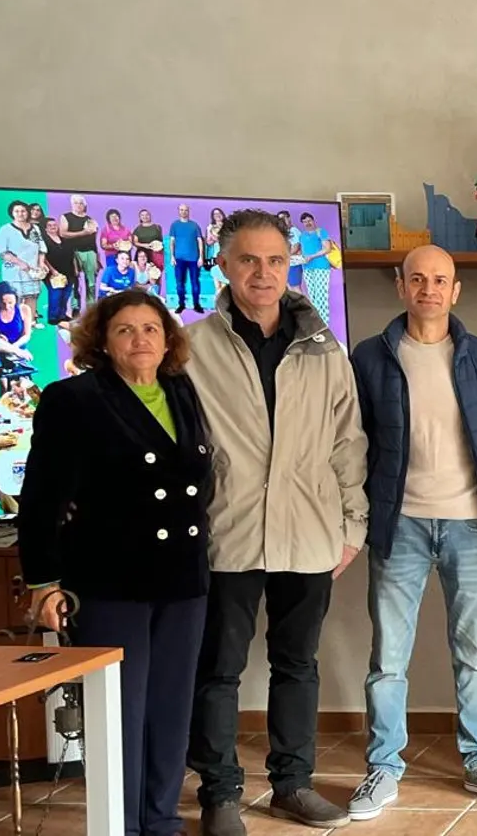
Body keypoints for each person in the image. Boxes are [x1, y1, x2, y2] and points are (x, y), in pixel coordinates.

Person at [185, 209, 367, 835]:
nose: (262, 273)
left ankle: (293, 784)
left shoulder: (322, 345)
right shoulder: (194, 347)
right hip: (227, 533)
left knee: (298, 665)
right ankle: (220, 792)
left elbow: (348, 439)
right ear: (225, 266)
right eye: (248, 260)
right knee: (219, 669)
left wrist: (352, 526)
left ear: (291, 265)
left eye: (275, 260)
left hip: (309, 533)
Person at [19, 291, 213, 836]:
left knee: (171, 710)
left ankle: (162, 820)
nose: (140, 340)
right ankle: (121, 826)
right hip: (109, 581)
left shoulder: (178, 388)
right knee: (122, 712)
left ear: (168, 338)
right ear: (102, 341)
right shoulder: (72, 399)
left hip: (182, 577)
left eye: (151, 329)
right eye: (125, 330)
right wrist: (44, 583)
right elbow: (41, 500)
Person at [346, 245, 477, 820]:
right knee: (388, 659)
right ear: (401, 286)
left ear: (456, 291)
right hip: (398, 526)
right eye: (418, 279)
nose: (429, 289)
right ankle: (384, 767)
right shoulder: (371, 357)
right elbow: (354, 444)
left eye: (440, 280)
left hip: (470, 524)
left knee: (475, 656)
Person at [0, 200, 45, 326]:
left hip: (33, 271)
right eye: (16, 211)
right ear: (12, 213)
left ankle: (30, 323)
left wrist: (41, 265)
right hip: (14, 271)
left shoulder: (35, 229)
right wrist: (20, 263)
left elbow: (41, 248)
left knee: (32, 296)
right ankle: (14, 324)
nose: (20, 214)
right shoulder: (5, 230)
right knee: (14, 298)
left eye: (23, 211)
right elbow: (2, 252)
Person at [0, 282, 36, 389]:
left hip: (19, 350)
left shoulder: (24, 309)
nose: (7, 307)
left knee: (23, 384)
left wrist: (13, 348)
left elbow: (27, 335)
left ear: (16, 299)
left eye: (11, 303)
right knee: (5, 385)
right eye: (3, 303)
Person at [60, 195, 101, 315]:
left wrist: (97, 257)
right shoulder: (66, 217)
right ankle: (75, 308)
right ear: (72, 204)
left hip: (90, 252)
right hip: (73, 253)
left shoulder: (90, 220)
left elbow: (94, 239)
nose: (78, 205)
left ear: (85, 205)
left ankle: (91, 307)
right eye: (76, 203)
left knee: (91, 282)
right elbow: (63, 233)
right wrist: (83, 232)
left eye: (81, 203)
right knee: (74, 282)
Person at [296, 213, 335, 320]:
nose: (307, 223)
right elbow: (302, 250)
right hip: (307, 267)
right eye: (305, 221)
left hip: (321, 266)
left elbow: (327, 248)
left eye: (309, 220)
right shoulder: (302, 235)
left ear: (313, 220)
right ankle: (316, 322)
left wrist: (312, 256)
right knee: (312, 295)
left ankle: (324, 321)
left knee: (321, 295)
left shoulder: (321, 232)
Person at [41, 216, 79, 326]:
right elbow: (44, 258)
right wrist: (53, 271)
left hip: (69, 272)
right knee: (56, 295)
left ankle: (62, 315)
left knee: (66, 294)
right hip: (53, 273)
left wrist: (75, 269)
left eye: (54, 225)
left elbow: (72, 256)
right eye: (50, 225)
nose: (53, 227)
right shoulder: (44, 242)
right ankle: (53, 317)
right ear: (45, 228)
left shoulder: (65, 240)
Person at [168, 204, 205, 313]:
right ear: (178, 211)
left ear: (188, 212)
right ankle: (181, 304)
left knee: (195, 282)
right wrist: (172, 257)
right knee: (179, 283)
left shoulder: (194, 225)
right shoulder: (174, 225)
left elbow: (200, 242)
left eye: (185, 210)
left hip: (193, 259)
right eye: (181, 210)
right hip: (179, 259)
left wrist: (201, 257)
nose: (183, 212)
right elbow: (172, 242)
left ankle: (196, 304)